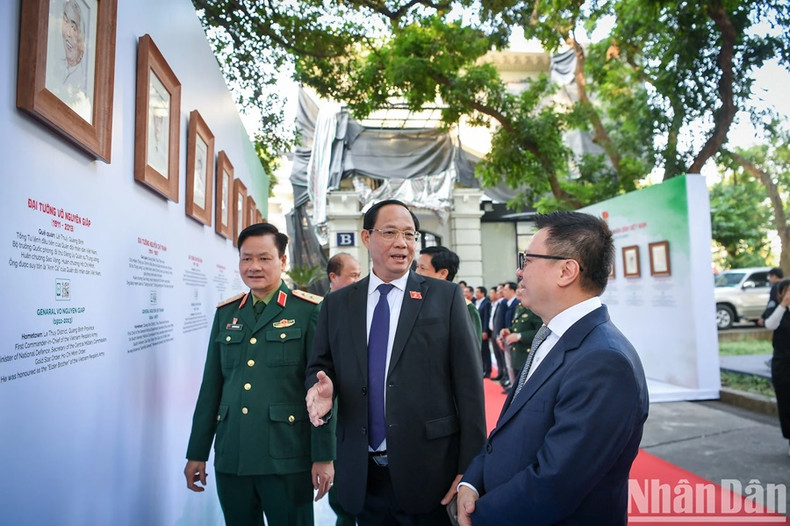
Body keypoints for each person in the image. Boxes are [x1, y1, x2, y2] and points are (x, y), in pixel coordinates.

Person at [457, 211, 649, 526]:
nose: (519, 271)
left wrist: (480, 517)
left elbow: (557, 482)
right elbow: (511, 428)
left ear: (566, 271)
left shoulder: (604, 361)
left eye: (528, 260)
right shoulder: (553, 335)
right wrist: (472, 481)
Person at [305, 199, 486, 526]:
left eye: (409, 234)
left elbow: (470, 387)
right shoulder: (338, 304)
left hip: (431, 471)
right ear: (366, 237)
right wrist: (323, 392)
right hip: (363, 473)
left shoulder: (445, 297)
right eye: (390, 232)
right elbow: (319, 368)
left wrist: (470, 469)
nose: (402, 243)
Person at [184, 223, 336, 526]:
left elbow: (322, 391)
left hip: (286, 456)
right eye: (246, 258)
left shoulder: (307, 311)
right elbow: (211, 387)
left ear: (283, 261)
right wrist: (197, 451)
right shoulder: (227, 314)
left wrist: (324, 456)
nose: (254, 266)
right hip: (233, 455)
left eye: (264, 258)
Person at [326, 252, 362, 526]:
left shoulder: (360, 308)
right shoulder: (322, 310)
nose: (357, 281)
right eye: (352, 275)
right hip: (333, 419)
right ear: (333, 278)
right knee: (343, 500)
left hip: (358, 419)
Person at [416, 246, 483, 346]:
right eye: (417, 267)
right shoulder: (416, 301)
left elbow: (470, 351)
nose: (416, 272)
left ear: (443, 273)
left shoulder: (465, 308)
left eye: (422, 268)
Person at [763, 278, 790, 456]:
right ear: (780, 293)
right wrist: (783, 305)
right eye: (787, 291)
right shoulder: (776, 311)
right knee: (787, 404)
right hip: (783, 366)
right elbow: (769, 325)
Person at [499, 299, 543, 387]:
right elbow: (518, 327)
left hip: (526, 354)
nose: (519, 291)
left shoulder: (536, 308)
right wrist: (509, 330)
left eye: (522, 288)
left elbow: (541, 332)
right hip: (517, 354)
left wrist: (519, 336)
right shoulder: (520, 308)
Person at [496, 282, 520, 391]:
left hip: (515, 339)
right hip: (507, 336)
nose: (502, 292)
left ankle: (514, 386)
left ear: (512, 290)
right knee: (509, 363)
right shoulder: (506, 303)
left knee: (514, 364)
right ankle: (511, 384)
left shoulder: (517, 303)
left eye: (505, 290)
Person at [474, 287, 493, 378]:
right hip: (477, 331)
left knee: (485, 351)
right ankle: (483, 369)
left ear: (483, 293)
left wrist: (485, 331)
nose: (476, 294)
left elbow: (486, 318)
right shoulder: (476, 303)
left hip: (483, 331)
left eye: (477, 292)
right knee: (480, 351)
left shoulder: (486, 303)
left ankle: (488, 370)